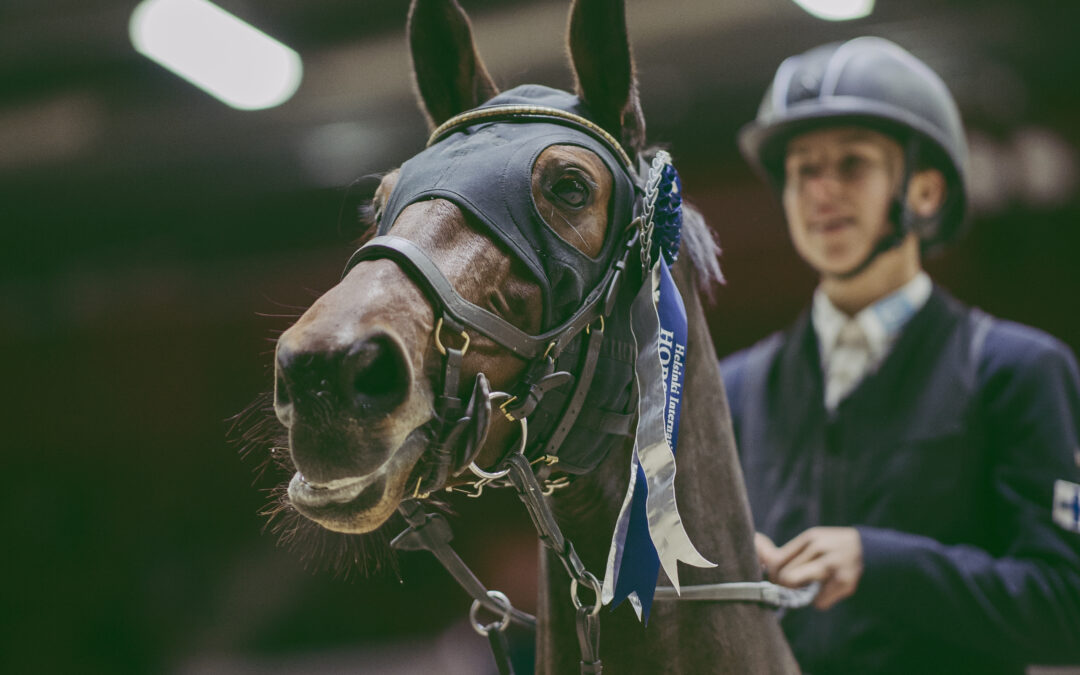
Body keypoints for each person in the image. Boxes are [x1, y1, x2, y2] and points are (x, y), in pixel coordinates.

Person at [721, 36, 1080, 674]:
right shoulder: (734, 386)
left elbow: (1066, 611)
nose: (820, 192)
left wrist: (877, 562)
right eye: (803, 170)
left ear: (925, 191)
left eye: (851, 165)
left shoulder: (1020, 370)